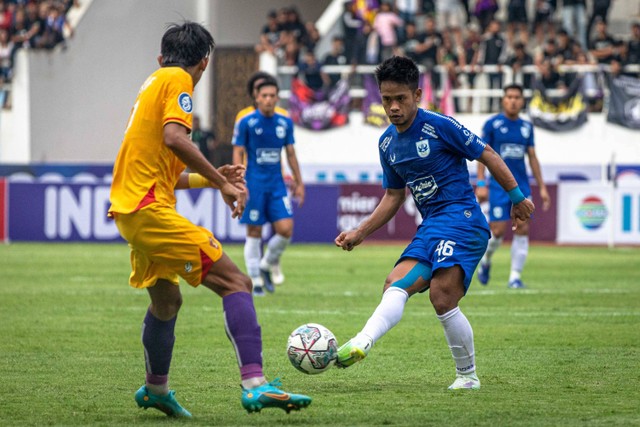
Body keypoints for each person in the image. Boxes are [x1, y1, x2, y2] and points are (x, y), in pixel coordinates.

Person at [108, 21, 310, 418]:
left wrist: (209, 177)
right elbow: (175, 139)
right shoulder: (179, 79)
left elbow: (165, 166)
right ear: (203, 63)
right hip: (149, 211)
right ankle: (255, 385)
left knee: (167, 301)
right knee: (236, 282)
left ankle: (155, 389)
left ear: (161, 56)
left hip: (135, 209)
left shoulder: (154, 80)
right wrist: (223, 183)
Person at [334, 56, 534, 390]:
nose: (393, 107)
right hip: (432, 226)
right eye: (387, 100)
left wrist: (517, 198)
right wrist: (359, 232)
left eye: (400, 98)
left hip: (464, 221)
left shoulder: (440, 126)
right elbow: (394, 196)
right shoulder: (387, 143)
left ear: (417, 95)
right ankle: (362, 341)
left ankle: (467, 376)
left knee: (441, 296)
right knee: (394, 283)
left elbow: (488, 154)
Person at [232, 77, 305, 296]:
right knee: (254, 231)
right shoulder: (246, 122)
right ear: (257, 98)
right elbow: (238, 150)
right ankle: (254, 280)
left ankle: (265, 265)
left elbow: (290, 153)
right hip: (253, 184)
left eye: (272, 96)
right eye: (264, 96)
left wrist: (299, 182)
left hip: (277, 185)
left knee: (285, 230)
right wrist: (238, 181)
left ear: (277, 98)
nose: (268, 100)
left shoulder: (285, 122)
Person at [475, 83, 550, 289]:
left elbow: (532, 157)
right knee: (497, 231)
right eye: (509, 96)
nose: (513, 100)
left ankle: (515, 277)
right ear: (503, 100)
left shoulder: (527, 127)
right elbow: (481, 155)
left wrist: (542, 187)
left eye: (517, 97)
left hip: (522, 187)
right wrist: (481, 183)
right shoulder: (492, 124)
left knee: (523, 228)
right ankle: (486, 261)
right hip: (499, 187)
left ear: (522, 101)